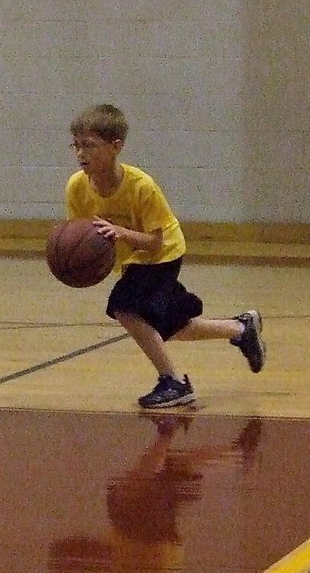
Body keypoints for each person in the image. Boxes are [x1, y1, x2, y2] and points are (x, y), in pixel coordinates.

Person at [64, 104, 266, 409]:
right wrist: (77, 261)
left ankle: (173, 382)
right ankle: (241, 328)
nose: (81, 153)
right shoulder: (76, 187)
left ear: (116, 146)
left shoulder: (141, 186)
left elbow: (155, 243)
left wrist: (120, 232)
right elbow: (82, 235)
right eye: (76, 145)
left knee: (125, 308)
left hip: (162, 254)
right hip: (133, 260)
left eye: (90, 146)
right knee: (168, 326)